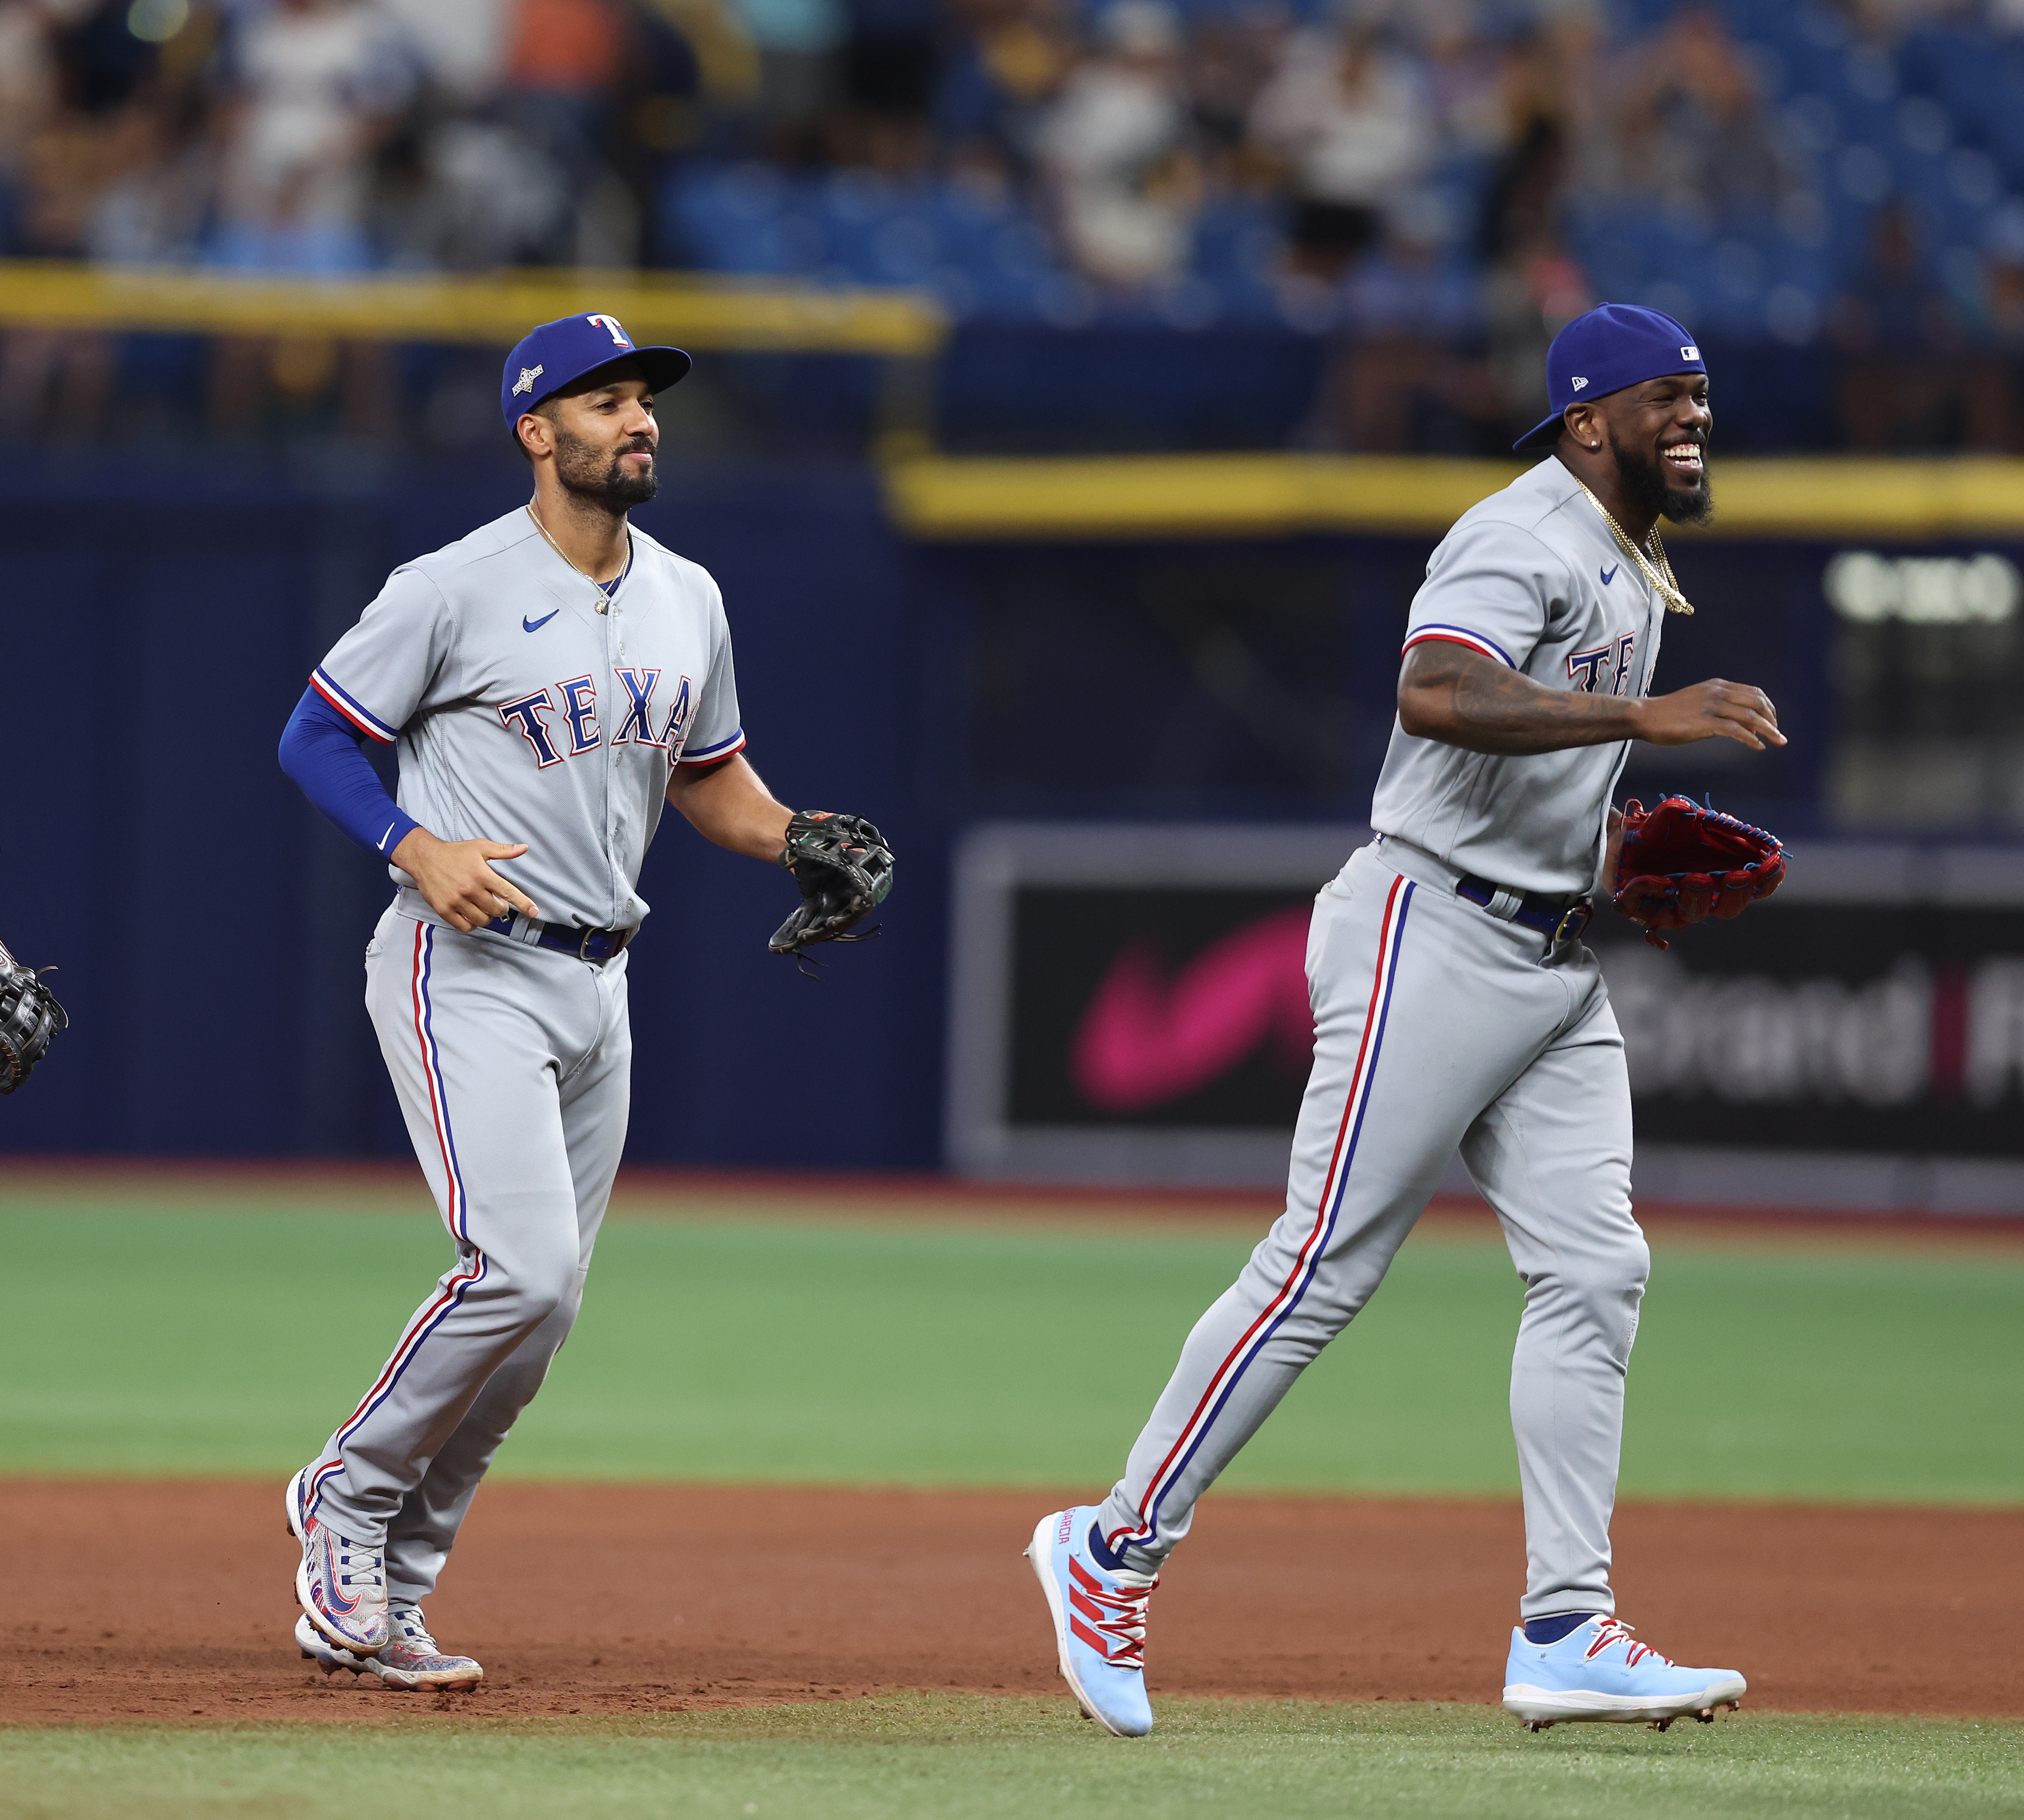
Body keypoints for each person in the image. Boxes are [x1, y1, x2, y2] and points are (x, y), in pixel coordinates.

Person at [1027, 303, 1780, 1737]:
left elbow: (1529, 759)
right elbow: (1435, 692)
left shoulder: (1630, 559)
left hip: (1551, 957)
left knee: (1596, 1270)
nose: (1693, 417)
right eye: (1664, 398)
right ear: (1583, 421)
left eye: (1702, 395)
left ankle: (1565, 1623)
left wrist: (1615, 852)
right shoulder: (1525, 532)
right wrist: (1655, 718)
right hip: (1429, 931)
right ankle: (1110, 1546)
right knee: (1320, 1267)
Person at [272, 312, 885, 1691]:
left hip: (602, 982)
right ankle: (344, 1496)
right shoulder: (452, 586)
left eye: (647, 398)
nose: (639, 418)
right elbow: (315, 735)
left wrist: (796, 835)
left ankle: (388, 1598)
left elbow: (710, 777)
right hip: (464, 962)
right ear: (536, 432)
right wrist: (409, 844)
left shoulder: (691, 596)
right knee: (521, 1270)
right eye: (605, 400)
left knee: (539, 1327)